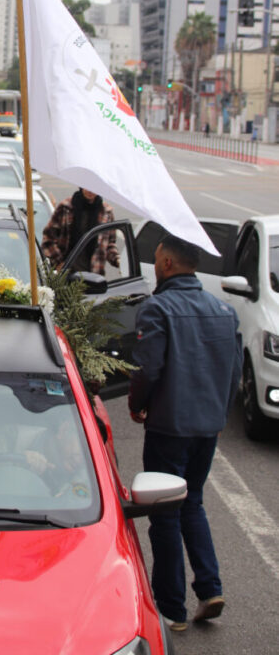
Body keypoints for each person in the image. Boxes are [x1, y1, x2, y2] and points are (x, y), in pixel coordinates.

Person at [128, 233, 242, 632]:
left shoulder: (158, 308)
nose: (156, 264)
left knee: (165, 512)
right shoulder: (224, 311)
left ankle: (171, 609)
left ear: (168, 264)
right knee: (192, 501)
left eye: (158, 257)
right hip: (206, 428)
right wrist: (219, 415)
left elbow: (148, 369)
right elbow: (234, 373)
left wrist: (136, 404)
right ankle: (210, 588)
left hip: (168, 427)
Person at [41, 188, 118, 274]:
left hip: (95, 275)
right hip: (68, 274)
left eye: (94, 187)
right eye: (87, 186)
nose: (90, 191)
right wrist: (59, 263)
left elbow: (109, 245)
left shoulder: (106, 212)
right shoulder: (66, 208)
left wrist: (118, 261)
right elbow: (48, 238)